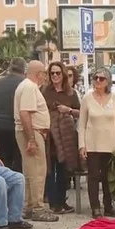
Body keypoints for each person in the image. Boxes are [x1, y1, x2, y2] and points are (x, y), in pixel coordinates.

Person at [77, 67, 115, 218]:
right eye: (95, 78)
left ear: (108, 81)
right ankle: (95, 207)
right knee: (93, 177)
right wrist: (82, 145)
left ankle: (109, 206)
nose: (98, 81)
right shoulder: (87, 98)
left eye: (101, 78)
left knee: (109, 177)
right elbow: (82, 124)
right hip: (92, 144)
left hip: (111, 144)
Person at [14, 61, 58, 223]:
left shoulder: (27, 87)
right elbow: (24, 113)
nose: (46, 77)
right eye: (45, 73)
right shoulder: (29, 87)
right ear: (39, 73)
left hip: (33, 132)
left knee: (33, 170)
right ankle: (36, 208)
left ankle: (30, 206)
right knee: (37, 171)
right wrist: (31, 138)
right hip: (31, 133)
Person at [42, 61, 80, 214]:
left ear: (63, 74)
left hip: (66, 136)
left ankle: (62, 200)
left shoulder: (71, 93)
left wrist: (68, 110)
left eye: (58, 73)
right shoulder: (44, 91)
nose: (55, 76)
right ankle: (53, 203)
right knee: (51, 170)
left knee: (64, 169)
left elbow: (80, 112)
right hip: (50, 136)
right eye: (52, 73)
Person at [0, 57, 26, 172]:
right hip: (16, 127)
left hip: (0, 126)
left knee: (4, 160)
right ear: (23, 69)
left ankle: (5, 187)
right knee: (18, 160)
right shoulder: (23, 83)